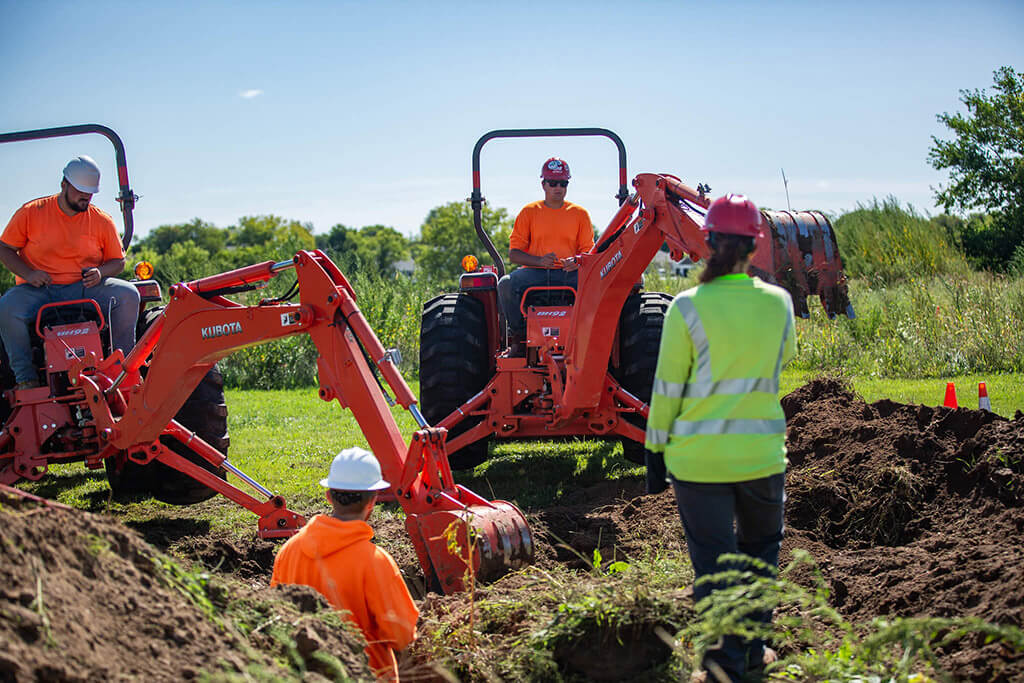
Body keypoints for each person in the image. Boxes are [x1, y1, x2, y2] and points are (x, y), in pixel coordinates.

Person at [644, 194, 795, 682]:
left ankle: (722, 666)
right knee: (759, 560)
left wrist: (654, 450)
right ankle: (752, 655)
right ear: (754, 244)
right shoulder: (778, 303)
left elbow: (667, 388)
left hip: (698, 463)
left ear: (707, 241)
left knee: (715, 566)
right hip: (761, 458)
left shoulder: (687, 307)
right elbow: (783, 359)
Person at [271, 447, 419, 681]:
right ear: (373, 500)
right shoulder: (376, 561)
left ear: (329, 496)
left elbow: (275, 619)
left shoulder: (288, 552)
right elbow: (402, 635)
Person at [0, 156, 140, 389]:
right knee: (7, 308)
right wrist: (30, 273)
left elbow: (118, 262)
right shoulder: (32, 213)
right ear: (64, 185)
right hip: (39, 289)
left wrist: (100, 272)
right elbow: (4, 248)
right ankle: (26, 379)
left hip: (85, 288)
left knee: (129, 295)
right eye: (79, 191)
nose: (85, 196)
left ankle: (122, 370)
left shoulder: (101, 220)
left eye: (89, 192)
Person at [497, 157, 594, 354]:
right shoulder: (529, 212)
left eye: (563, 183)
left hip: (569, 274)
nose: (558, 187)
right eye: (553, 183)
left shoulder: (579, 214)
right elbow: (514, 254)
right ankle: (519, 337)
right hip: (535, 273)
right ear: (543, 184)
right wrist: (539, 261)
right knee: (505, 284)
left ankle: (590, 338)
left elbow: (589, 252)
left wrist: (576, 261)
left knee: (599, 284)